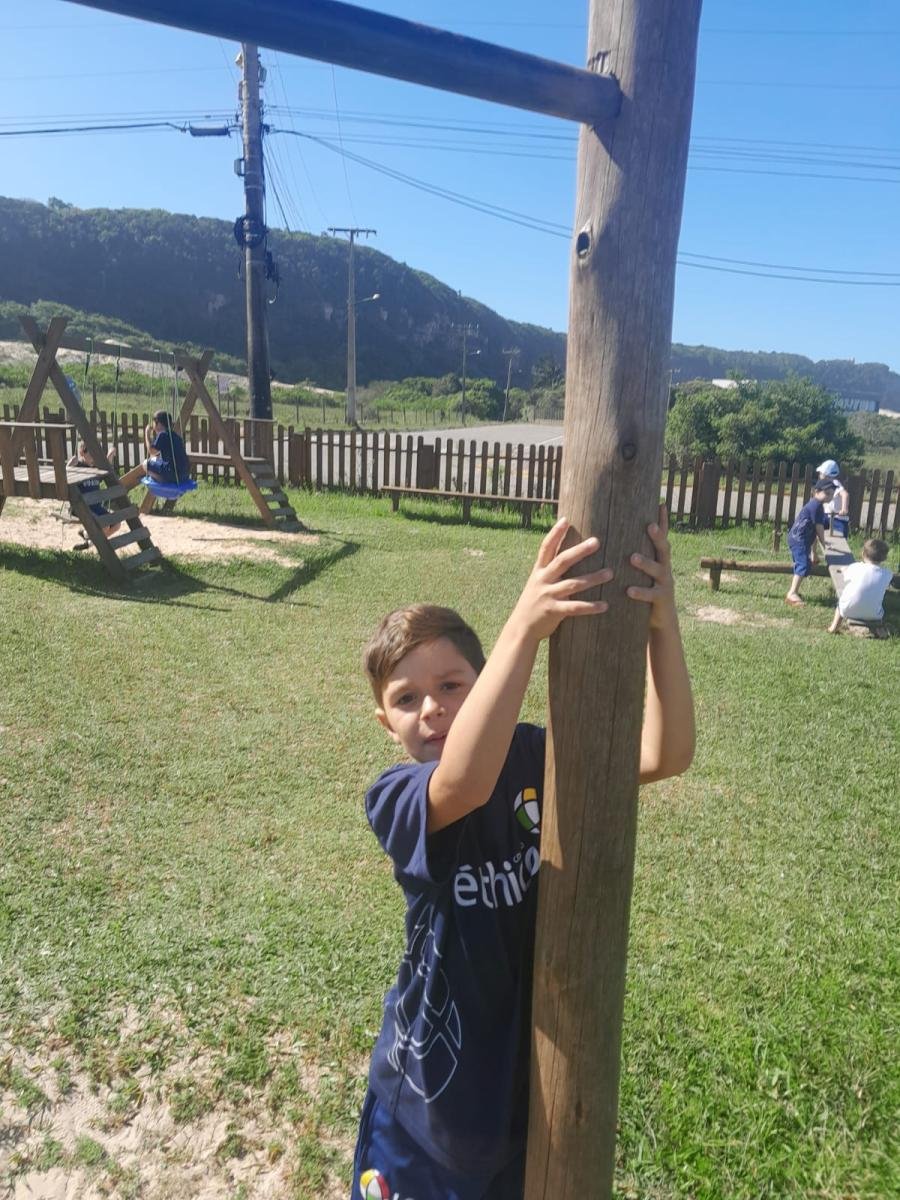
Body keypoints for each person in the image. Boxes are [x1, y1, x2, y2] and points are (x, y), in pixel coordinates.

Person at [353, 510, 695, 1200]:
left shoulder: (536, 755)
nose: (431, 709)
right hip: (426, 1111)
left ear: (487, 685)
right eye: (407, 699)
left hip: (520, 1100)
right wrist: (524, 626)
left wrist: (662, 626)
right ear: (385, 723)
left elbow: (665, 753)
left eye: (452, 686)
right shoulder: (396, 797)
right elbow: (465, 785)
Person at [785, 479, 835, 606]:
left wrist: (814, 553)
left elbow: (813, 532)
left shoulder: (818, 506)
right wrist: (824, 543)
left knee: (804, 564)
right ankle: (792, 593)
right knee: (803, 565)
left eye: (831, 494)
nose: (830, 496)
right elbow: (819, 529)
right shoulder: (815, 506)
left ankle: (794, 591)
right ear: (816, 492)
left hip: (802, 539)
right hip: (799, 540)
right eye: (827, 493)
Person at [828, 538, 893, 633]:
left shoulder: (856, 567)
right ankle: (880, 629)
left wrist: (843, 569)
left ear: (863, 554)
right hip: (874, 615)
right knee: (878, 604)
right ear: (884, 558)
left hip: (848, 610)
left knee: (840, 605)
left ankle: (834, 627)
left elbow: (846, 575)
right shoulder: (887, 573)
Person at [117, 410, 191, 493]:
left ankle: (162, 479)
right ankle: (161, 477)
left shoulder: (163, 434)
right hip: (184, 475)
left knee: (145, 464)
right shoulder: (175, 436)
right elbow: (158, 453)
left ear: (158, 423)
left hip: (173, 476)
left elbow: (152, 451)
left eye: (153, 423)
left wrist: (147, 434)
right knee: (154, 459)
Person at [68, 439, 122, 548]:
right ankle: (88, 535)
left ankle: (89, 541)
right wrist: (69, 465)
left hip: (96, 508)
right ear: (82, 453)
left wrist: (110, 455)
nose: (93, 457)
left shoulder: (97, 469)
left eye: (95, 453)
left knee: (117, 524)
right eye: (91, 454)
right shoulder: (78, 467)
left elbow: (106, 468)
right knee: (104, 525)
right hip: (81, 507)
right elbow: (64, 478)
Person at [816, 459, 850, 537]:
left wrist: (844, 509)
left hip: (837, 519)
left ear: (826, 474)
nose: (819, 475)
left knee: (839, 538)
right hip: (827, 516)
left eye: (821, 473)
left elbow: (845, 494)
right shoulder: (826, 484)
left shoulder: (835, 483)